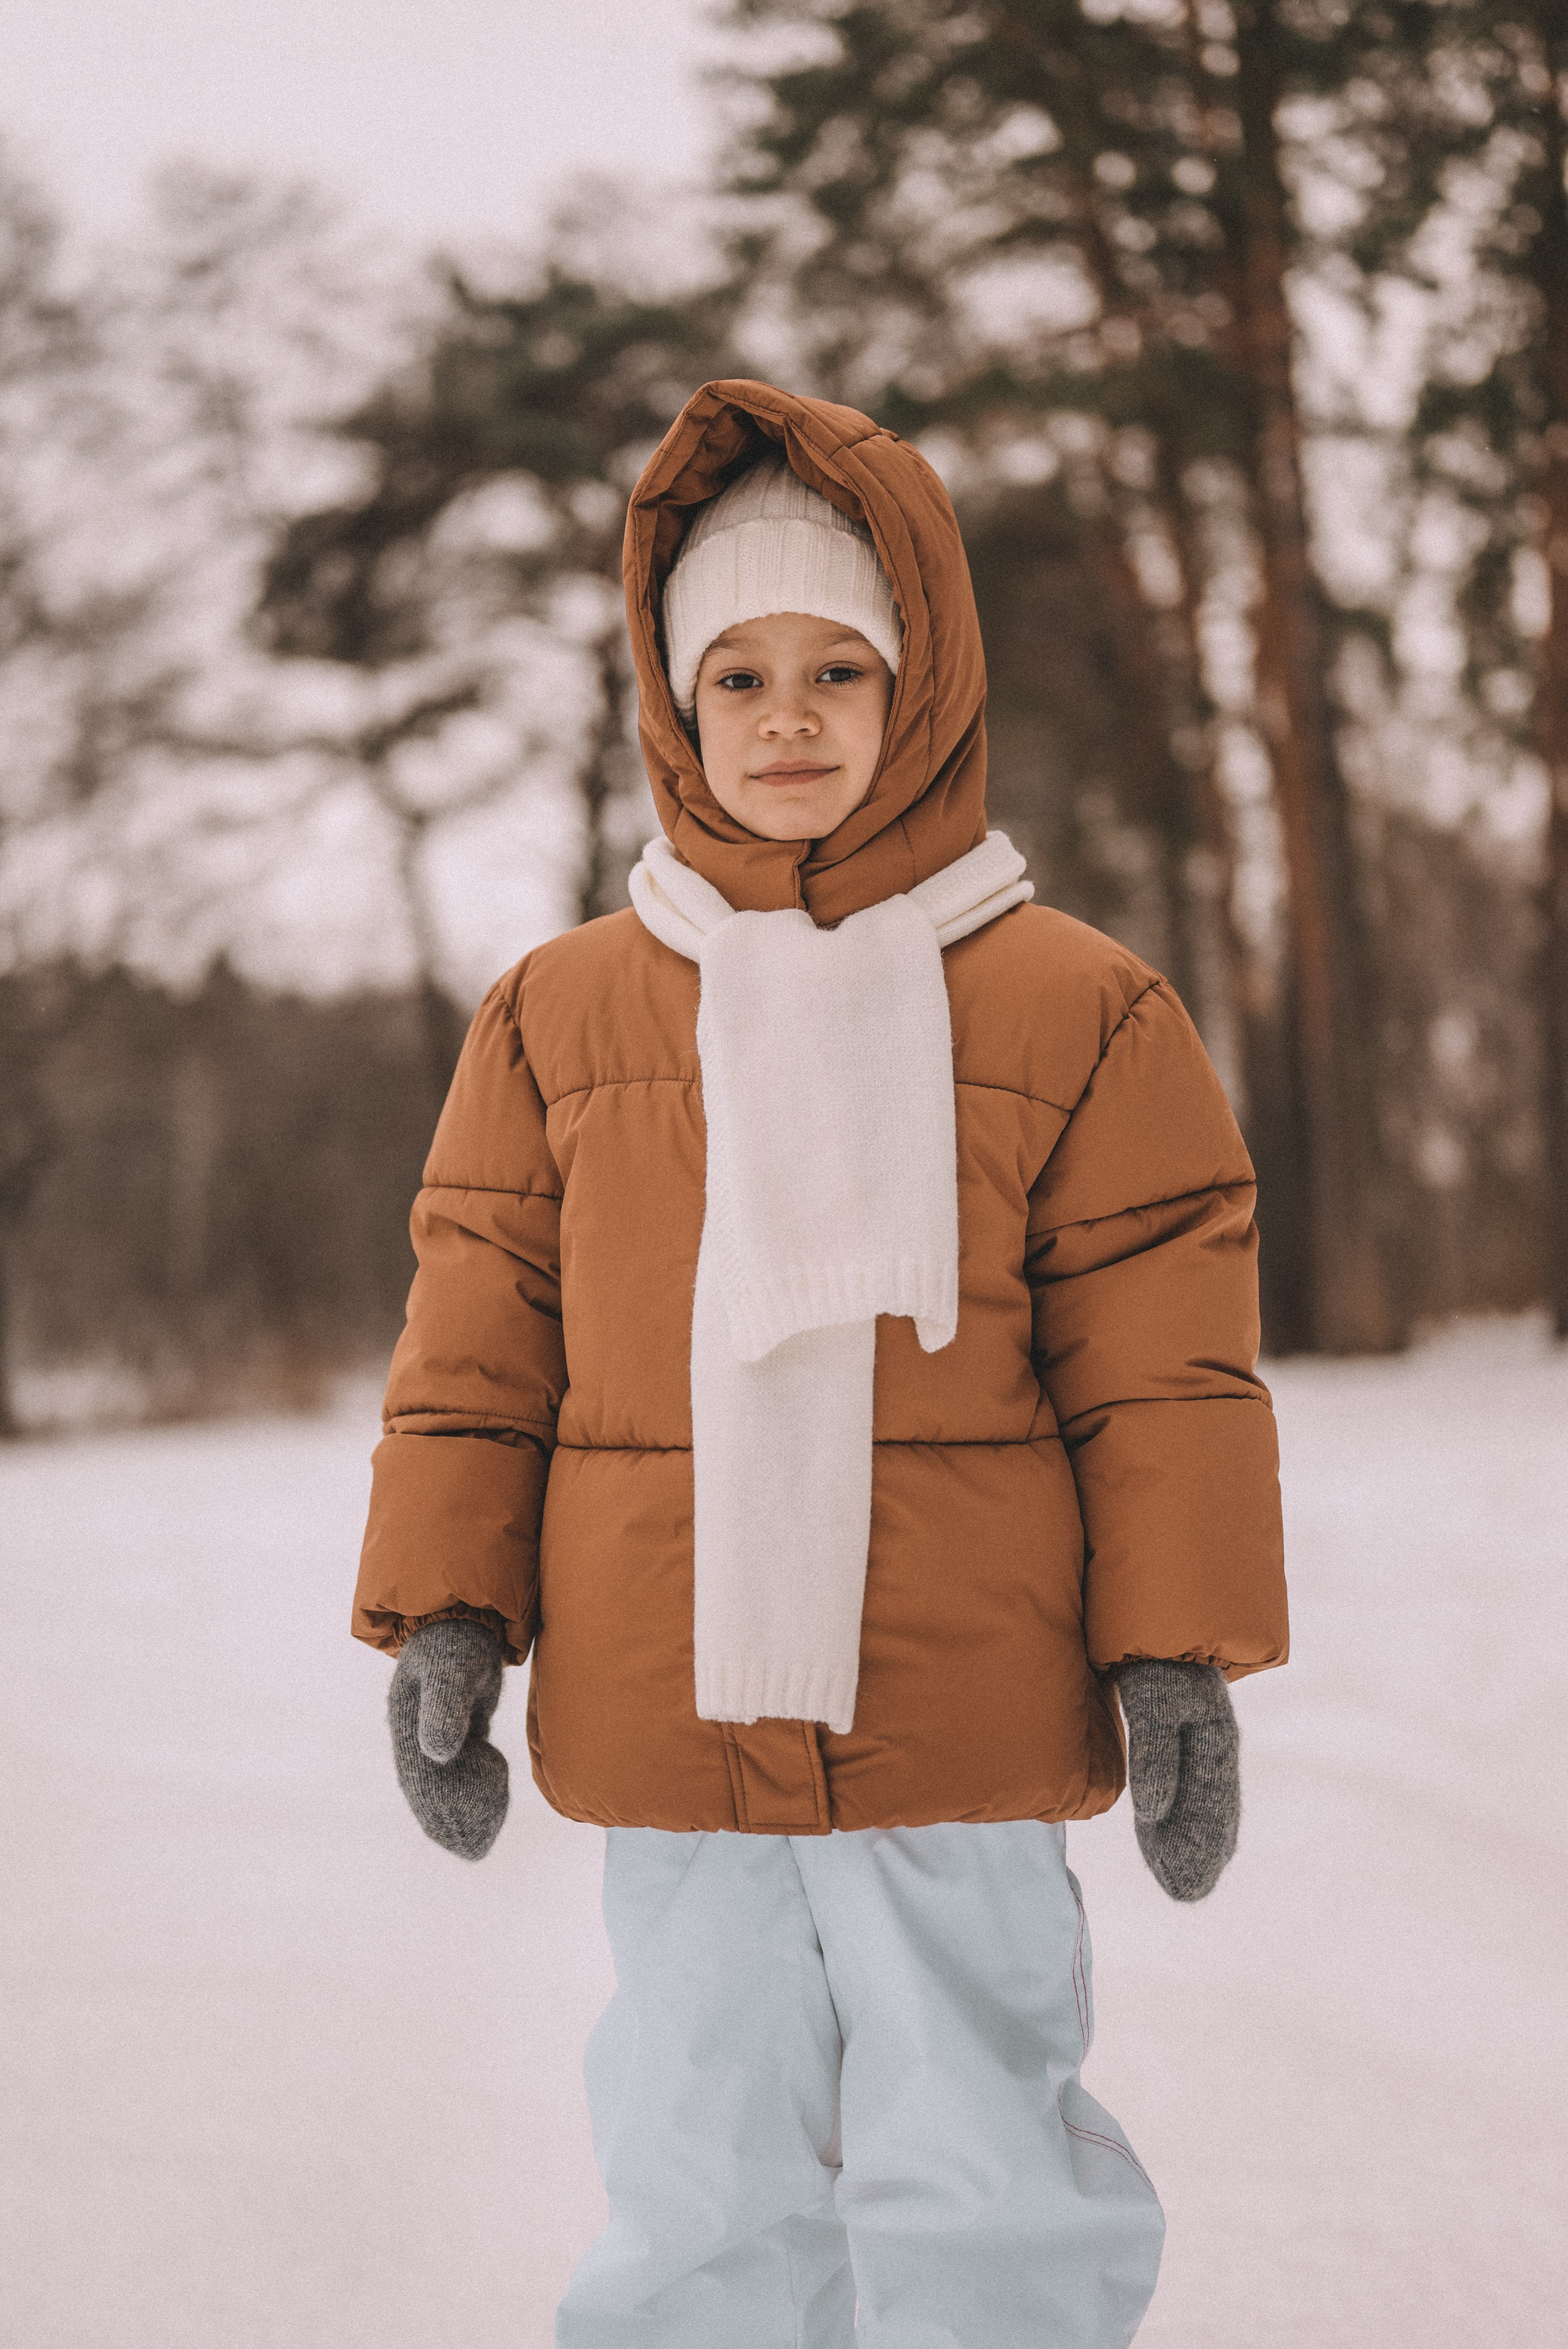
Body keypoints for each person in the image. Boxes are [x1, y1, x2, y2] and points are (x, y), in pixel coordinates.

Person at [352, 379, 1289, 2349]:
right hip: (672, 1698)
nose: (789, 718)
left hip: (958, 1701)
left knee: (978, 2134)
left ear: (920, 685)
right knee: (698, 2143)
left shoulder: (1078, 1007)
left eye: (839, 669)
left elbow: (1161, 1366)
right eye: (741, 676)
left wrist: (1175, 1646)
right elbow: (480, 1337)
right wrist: (450, 1607)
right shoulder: (559, 1013)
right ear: (676, 705)